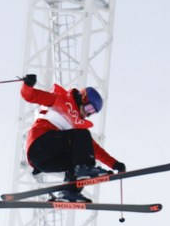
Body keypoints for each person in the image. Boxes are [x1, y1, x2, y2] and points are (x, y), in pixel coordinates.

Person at [20, 74, 126, 202]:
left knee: (77, 157)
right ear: (83, 99)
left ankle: (69, 192)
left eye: (92, 112)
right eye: (89, 108)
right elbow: (30, 95)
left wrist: (114, 164)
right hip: (40, 145)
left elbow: (93, 149)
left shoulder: (78, 126)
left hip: (45, 163)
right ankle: (83, 169)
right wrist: (28, 85)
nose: (87, 113)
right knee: (82, 136)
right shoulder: (61, 100)